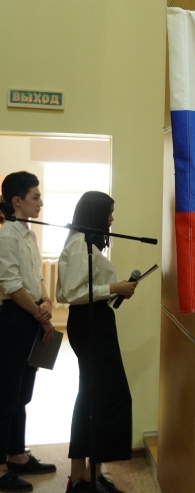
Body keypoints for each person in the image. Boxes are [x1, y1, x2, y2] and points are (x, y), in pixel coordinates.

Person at [56, 191, 136, 493]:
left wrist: (115, 290)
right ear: (96, 214)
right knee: (102, 395)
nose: (112, 219)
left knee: (99, 396)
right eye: (109, 212)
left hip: (96, 320)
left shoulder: (85, 243)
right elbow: (72, 294)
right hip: (89, 323)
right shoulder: (79, 244)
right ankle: (81, 476)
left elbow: (87, 288)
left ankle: (90, 473)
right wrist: (114, 287)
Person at [0, 172, 57, 493]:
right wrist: (42, 317)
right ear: (17, 201)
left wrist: (46, 301)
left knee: (23, 394)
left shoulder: (29, 235)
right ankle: (0, 469)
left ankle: (17, 456)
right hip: (13, 318)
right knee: (6, 396)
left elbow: (37, 276)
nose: (41, 202)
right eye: (35, 197)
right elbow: (11, 286)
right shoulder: (6, 237)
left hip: (31, 315)